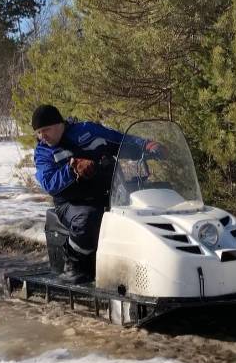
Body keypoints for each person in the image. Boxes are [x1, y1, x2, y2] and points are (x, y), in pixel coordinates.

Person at [32, 104, 161, 284]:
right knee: (87, 218)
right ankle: (74, 265)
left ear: (59, 124)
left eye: (45, 130)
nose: (42, 136)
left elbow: (120, 141)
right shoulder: (43, 152)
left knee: (145, 209)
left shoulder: (88, 131)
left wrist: (146, 146)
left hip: (108, 194)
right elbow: (49, 183)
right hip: (71, 203)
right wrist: (72, 169)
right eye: (38, 132)